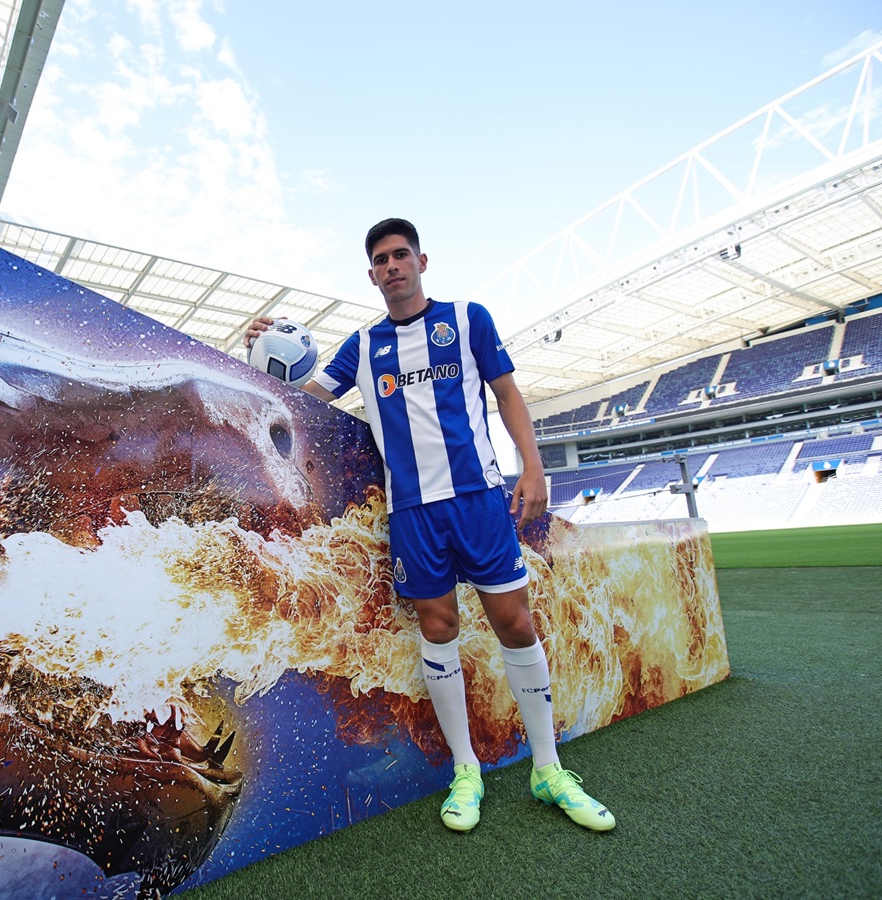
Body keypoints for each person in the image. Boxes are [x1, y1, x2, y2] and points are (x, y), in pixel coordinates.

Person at [245, 218, 614, 833]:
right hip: (413, 513)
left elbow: (508, 395)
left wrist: (533, 465)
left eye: (400, 255)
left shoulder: (468, 320)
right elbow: (308, 395)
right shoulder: (363, 346)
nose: (392, 266)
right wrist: (261, 354)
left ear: (421, 261)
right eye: (381, 260)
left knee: (516, 624)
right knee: (439, 630)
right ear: (371, 276)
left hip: (478, 501)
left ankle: (549, 769)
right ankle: (466, 771)